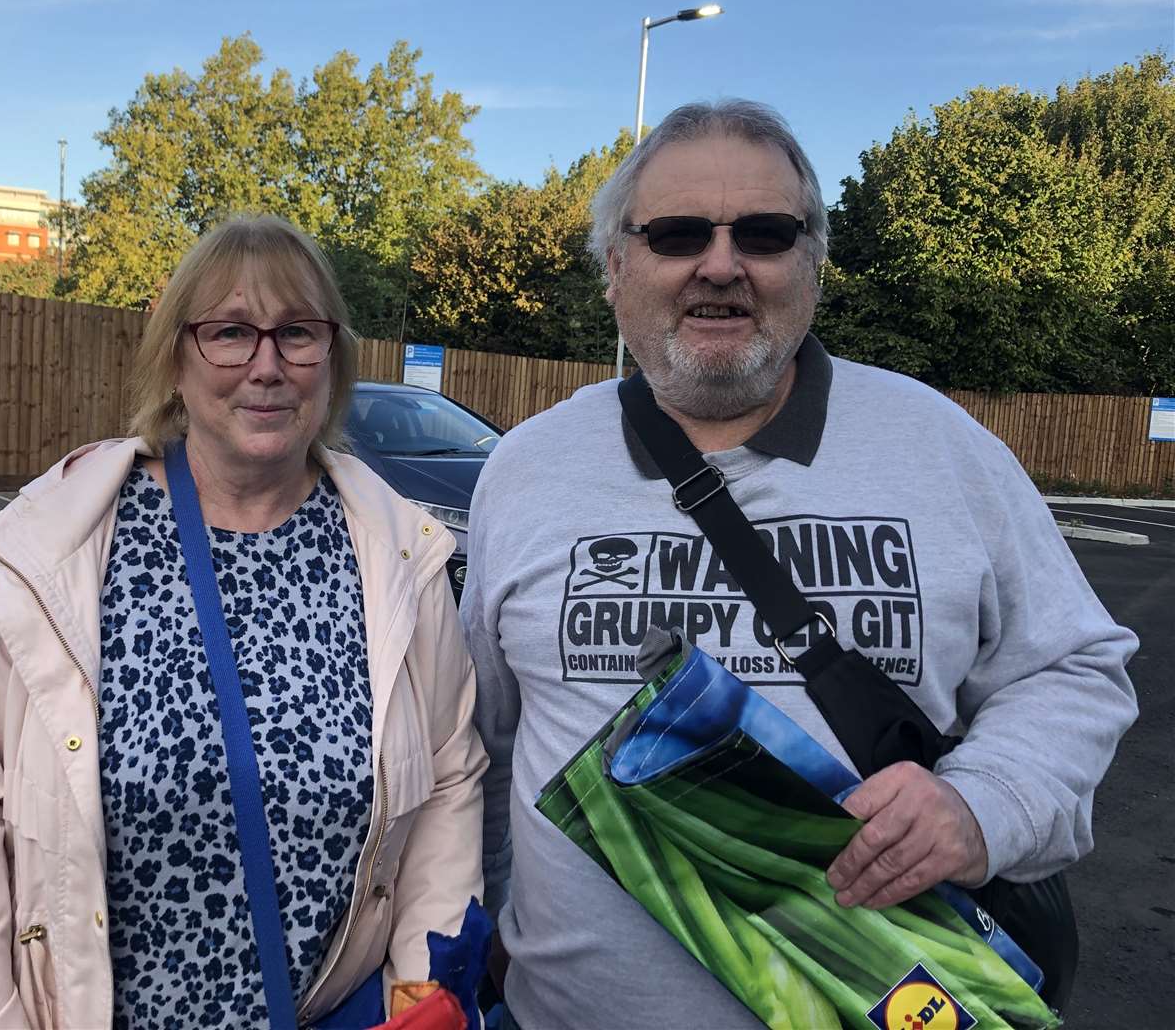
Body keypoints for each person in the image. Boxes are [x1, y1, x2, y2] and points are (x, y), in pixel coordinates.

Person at [461, 99, 1139, 1029]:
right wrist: (479, 923)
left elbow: (1074, 665)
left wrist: (983, 805)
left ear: (813, 266)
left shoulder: (939, 446)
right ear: (616, 269)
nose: (722, 265)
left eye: (766, 234)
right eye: (678, 233)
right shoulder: (526, 468)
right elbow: (483, 745)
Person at [0, 215, 486, 1029]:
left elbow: (449, 776)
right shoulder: (53, 541)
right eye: (231, 332)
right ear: (176, 357)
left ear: (333, 358)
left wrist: (428, 988)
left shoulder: (398, 556)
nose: (268, 366)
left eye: (298, 334)